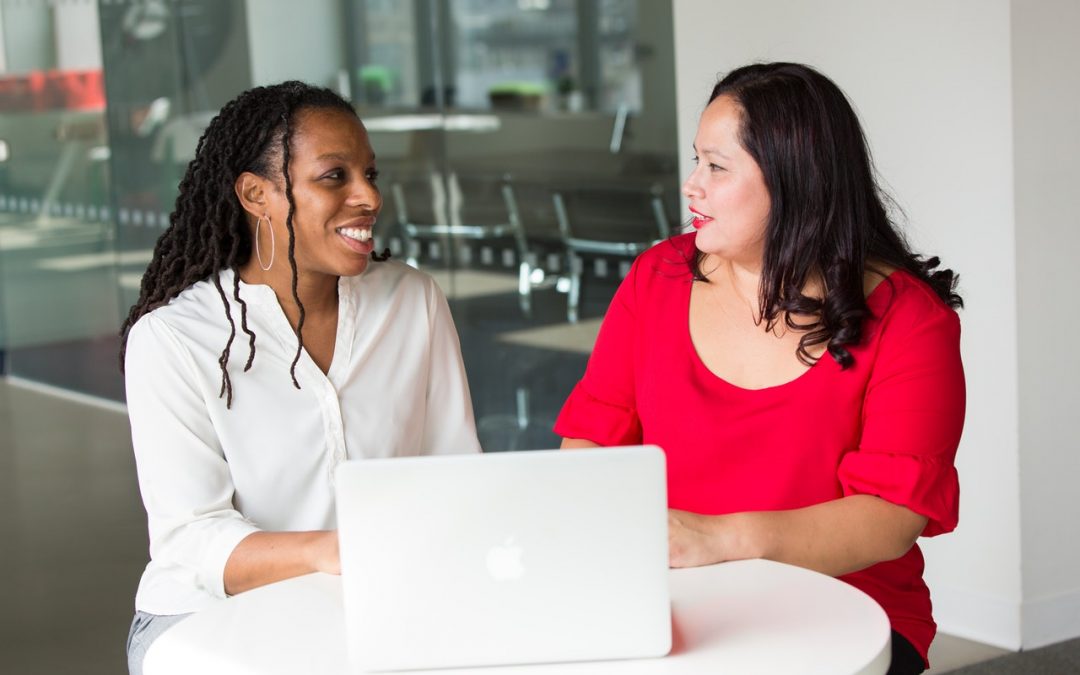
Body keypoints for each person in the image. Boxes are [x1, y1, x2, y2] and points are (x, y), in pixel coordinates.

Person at [555, 62, 964, 675]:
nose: (692, 186)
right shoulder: (656, 278)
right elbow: (591, 436)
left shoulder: (911, 319)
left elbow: (890, 519)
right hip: (674, 597)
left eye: (717, 168)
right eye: (696, 161)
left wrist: (720, 541)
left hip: (847, 610)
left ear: (797, 182)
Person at [119, 81, 480, 674]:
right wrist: (337, 553)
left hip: (377, 597)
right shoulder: (173, 339)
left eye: (371, 174)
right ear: (256, 194)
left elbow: (453, 466)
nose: (368, 196)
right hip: (210, 615)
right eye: (334, 176)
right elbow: (191, 539)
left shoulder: (411, 300)